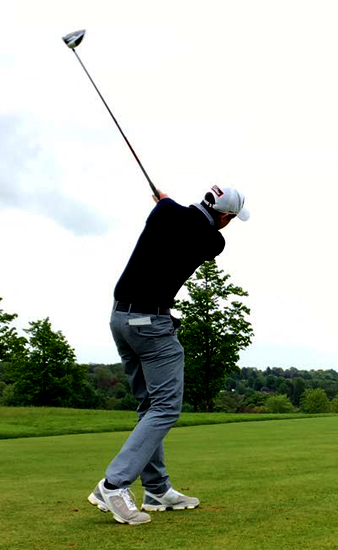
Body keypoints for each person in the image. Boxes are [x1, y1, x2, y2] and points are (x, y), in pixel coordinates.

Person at [87, 184, 249, 525]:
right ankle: (113, 486)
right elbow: (196, 227)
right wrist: (167, 201)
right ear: (224, 217)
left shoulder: (164, 211)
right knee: (165, 408)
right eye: (232, 219)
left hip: (121, 319)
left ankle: (157, 489)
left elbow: (175, 212)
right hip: (151, 326)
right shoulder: (214, 241)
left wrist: (165, 201)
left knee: (149, 406)